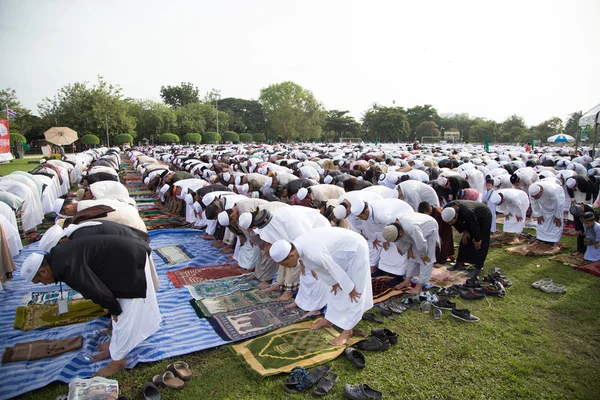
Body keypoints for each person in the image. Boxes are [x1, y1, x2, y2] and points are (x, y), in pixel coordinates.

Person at [20, 235, 161, 377]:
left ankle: (119, 361)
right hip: (126, 255)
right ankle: (116, 346)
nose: (44, 284)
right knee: (120, 311)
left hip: (129, 260)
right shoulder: (57, 256)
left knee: (123, 314)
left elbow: (95, 289)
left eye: (40, 281)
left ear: (43, 271)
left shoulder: (66, 267)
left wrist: (114, 310)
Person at [270, 228, 373, 346]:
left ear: (291, 255)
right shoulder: (299, 247)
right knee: (334, 289)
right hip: (339, 253)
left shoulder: (314, 253)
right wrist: (333, 282)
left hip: (356, 249)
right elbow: (319, 268)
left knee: (356, 292)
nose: (288, 267)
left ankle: (347, 331)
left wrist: (349, 288)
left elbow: (332, 268)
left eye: (286, 264)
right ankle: (329, 320)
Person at [252, 206, 330, 317]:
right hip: (306, 243)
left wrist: (310, 265)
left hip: (319, 236)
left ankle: (316, 307)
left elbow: (307, 241)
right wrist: (303, 262)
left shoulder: (292, 222)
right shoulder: (278, 222)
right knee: (304, 274)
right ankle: (301, 302)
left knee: (315, 275)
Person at [382, 213, 439, 294]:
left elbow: (421, 243)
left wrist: (423, 255)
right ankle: (407, 280)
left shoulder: (411, 228)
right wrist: (408, 249)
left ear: (401, 233)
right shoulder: (391, 224)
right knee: (412, 257)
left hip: (429, 228)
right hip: (416, 229)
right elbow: (399, 240)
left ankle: (419, 287)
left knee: (426, 260)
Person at [441, 200, 492, 278]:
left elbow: (474, 225)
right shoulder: (446, 209)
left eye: (450, 222)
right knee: (465, 239)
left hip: (483, 216)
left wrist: (477, 239)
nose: (449, 224)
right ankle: (459, 262)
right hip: (471, 218)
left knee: (482, 242)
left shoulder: (467, 212)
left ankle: (478, 267)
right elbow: (456, 223)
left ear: (456, 216)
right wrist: (464, 231)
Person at [528, 181, 565, 249]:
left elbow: (556, 204)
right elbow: (534, 203)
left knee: (557, 222)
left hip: (558, 198)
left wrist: (557, 216)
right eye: (534, 197)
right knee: (541, 221)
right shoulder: (531, 190)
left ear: (541, 191)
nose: (535, 198)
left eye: (536, 196)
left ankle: (555, 242)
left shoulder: (550, 190)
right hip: (545, 204)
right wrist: (538, 215)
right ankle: (539, 239)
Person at [418, 201, 454, 267]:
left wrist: (438, 236)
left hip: (443, 230)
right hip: (434, 230)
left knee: (443, 243)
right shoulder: (430, 212)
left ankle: (441, 261)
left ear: (428, 210)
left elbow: (438, 227)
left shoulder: (438, 214)